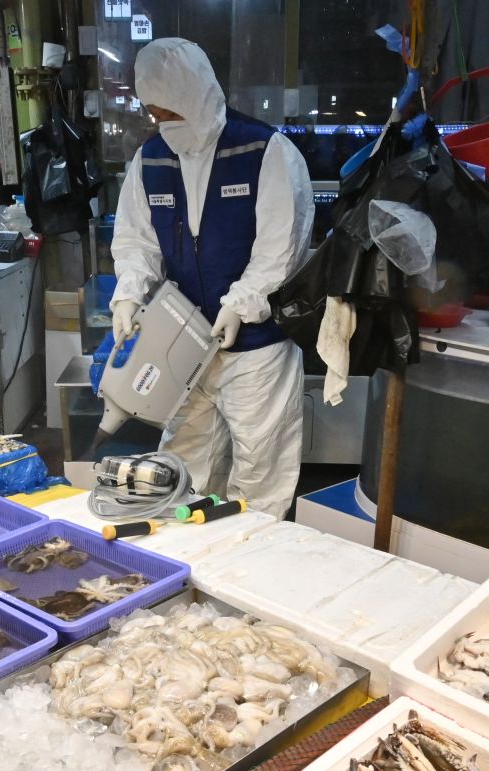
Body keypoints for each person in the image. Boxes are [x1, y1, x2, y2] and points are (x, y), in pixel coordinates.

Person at [109, 37, 314, 520]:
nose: (162, 125)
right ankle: (189, 571)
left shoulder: (264, 151)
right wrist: (127, 298)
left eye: (170, 113)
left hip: (258, 347)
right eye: (154, 114)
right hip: (185, 343)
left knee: (260, 471)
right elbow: (137, 243)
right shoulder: (151, 162)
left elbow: (281, 246)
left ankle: (252, 569)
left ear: (196, 97)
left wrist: (242, 305)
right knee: (183, 462)